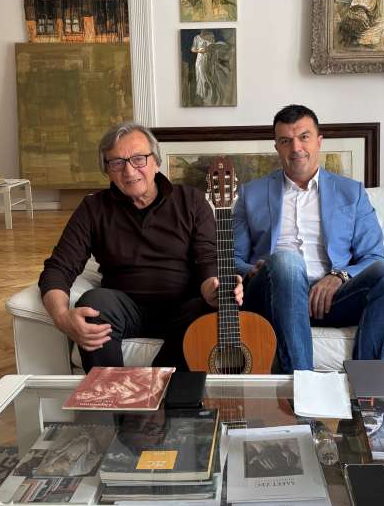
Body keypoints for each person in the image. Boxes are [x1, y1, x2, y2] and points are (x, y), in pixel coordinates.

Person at [39, 122, 242, 372]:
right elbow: (58, 268)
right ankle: (110, 394)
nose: (129, 171)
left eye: (138, 159)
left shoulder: (191, 200)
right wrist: (62, 317)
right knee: (94, 303)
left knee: (210, 311)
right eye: (117, 163)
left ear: (156, 161)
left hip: (183, 309)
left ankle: (158, 384)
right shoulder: (93, 208)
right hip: (125, 309)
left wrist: (212, 287)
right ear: (107, 170)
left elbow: (207, 259)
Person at [233, 104, 384, 373]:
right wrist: (253, 270)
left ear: (319, 141)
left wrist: (339, 276)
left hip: (333, 299)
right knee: (287, 262)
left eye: (303, 137)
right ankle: (302, 385)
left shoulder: (351, 192)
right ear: (277, 147)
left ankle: (370, 386)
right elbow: (232, 258)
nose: (296, 148)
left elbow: (373, 256)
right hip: (274, 293)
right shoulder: (251, 194)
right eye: (286, 141)